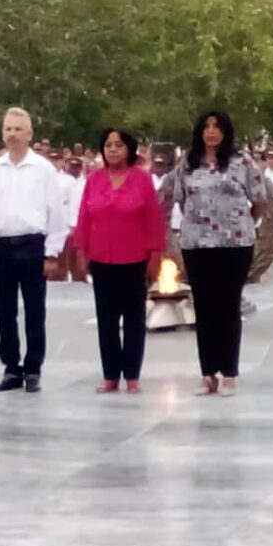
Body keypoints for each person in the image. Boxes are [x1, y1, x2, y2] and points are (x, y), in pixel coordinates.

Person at [163, 111, 265, 397]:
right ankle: (208, 373)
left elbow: (258, 202)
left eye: (216, 127)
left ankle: (229, 372)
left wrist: (237, 223)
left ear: (226, 131)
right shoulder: (188, 163)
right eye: (206, 127)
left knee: (228, 307)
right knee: (205, 309)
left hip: (235, 244)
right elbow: (182, 201)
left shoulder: (241, 162)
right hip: (198, 244)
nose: (211, 132)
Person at [0, 107, 67, 393]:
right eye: (8, 129)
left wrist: (52, 253)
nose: (12, 134)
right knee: (5, 312)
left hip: (32, 247)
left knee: (35, 311)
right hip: (1, 248)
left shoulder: (43, 170)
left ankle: (33, 367)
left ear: (29, 134)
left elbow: (56, 214)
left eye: (18, 129)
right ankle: (11, 368)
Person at [73, 128, 164, 394]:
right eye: (109, 145)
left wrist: (155, 254)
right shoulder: (94, 179)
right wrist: (81, 250)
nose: (113, 149)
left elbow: (153, 220)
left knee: (134, 319)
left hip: (135, 259)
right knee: (106, 319)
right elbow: (84, 217)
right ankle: (110, 375)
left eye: (119, 145)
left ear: (130, 150)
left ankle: (132, 375)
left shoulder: (142, 180)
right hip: (101, 259)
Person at [54, 155, 88, 282]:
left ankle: (79, 277)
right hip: (62, 219)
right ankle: (58, 276)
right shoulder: (60, 180)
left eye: (76, 167)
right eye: (71, 166)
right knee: (61, 253)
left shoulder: (86, 182)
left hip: (80, 220)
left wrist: (74, 223)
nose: (74, 170)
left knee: (76, 255)